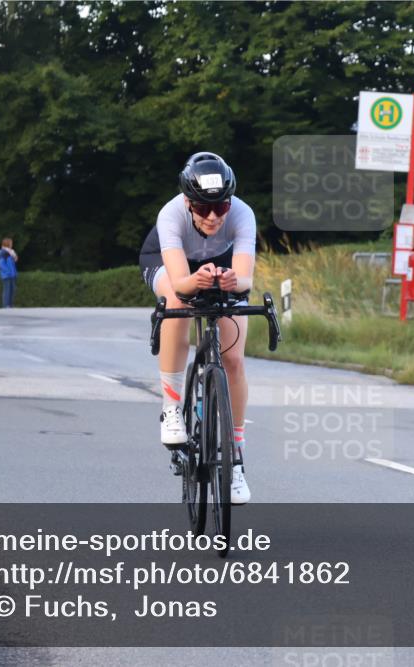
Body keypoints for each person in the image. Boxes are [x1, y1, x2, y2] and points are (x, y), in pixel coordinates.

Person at [139, 152, 256, 504]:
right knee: (177, 302)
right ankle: (172, 407)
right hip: (171, 264)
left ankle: (234, 459)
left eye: (219, 208)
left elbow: (246, 278)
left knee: (233, 358)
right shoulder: (171, 215)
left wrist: (232, 281)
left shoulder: (243, 214)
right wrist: (195, 280)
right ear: (188, 202)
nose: (211, 216)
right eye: (202, 208)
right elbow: (180, 283)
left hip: (221, 264)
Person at [0, 238, 18, 308]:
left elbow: (14, 261)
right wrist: (7, 272)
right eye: (11, 243)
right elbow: (1, 264)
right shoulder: (2, 252)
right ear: (8, 244)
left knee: (12, 290)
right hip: (7, 275)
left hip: (12, 274)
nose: (12, 244)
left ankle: (10, 305)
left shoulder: (10, 252)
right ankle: (6, 305)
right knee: (7, 290)